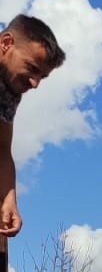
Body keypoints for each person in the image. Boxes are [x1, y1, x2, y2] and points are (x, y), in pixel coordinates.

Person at [0, 15, 65, 237]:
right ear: (6, 44)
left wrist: (10, 201)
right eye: (32, 67)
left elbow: (2, 148)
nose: (35, 83)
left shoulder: (9, 90)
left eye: (42, 77)